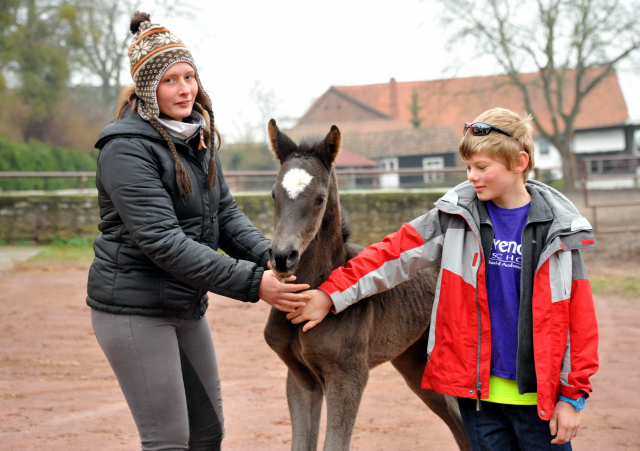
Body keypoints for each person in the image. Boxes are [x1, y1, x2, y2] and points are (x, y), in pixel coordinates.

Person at [288, 108, 599, 450]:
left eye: (482, 168)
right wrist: (331, 294)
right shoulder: (453, 219)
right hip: (478, 400)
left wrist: (571, 397)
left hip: (538, 402)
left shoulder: (560, 233)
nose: (472, 177)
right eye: (468, 168)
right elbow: (391, 255)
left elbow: (579, 321)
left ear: (519, 162)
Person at [86, 12, 310, 451]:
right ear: (148, 88)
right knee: (169, 439)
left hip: (185, 305)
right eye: (170, 80)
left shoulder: (198, 138)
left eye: (189, 76)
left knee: (207, 435)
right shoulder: (125, 150)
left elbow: (225, 216)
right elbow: (162, 242)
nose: (185, 89)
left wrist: (271, 256)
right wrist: (254, 283)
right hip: (133, 310)